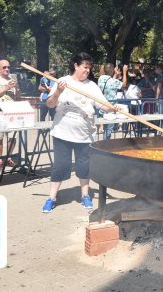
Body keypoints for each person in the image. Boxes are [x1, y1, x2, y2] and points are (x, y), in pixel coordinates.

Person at [42, 52, 115, 213]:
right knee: (60, 166)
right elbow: (50, 104)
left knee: (84, 166)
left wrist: (112, 107)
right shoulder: (62, 82)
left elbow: (102, 105)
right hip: (62, 133)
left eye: (89, 68)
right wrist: (58, 92)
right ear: (76, 65)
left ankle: (85, 195)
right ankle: (51, 198)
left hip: (84, 135)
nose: (88, 70)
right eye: (85, 67)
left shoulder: (92, 86)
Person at [0, 59, 21, 170]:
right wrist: (6, 88)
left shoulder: (12, 79)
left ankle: (9, 158)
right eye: (4, 67)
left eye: (8, 67)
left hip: (11, 112)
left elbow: (18, 97)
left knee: (12, 136)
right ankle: (0, 160)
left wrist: (16, 88)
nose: (7, 69)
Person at [98, 63, 128, 138]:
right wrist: (124, 72)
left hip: (102, 105)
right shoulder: (113, 81)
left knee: (105, 128)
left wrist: (115, 74)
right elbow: (124, 84)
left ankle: (104, 143)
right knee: (109, 129)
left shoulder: (100, 78)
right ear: (113, 70)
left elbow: (110, 83)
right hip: (111, 106)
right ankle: (105, 145)